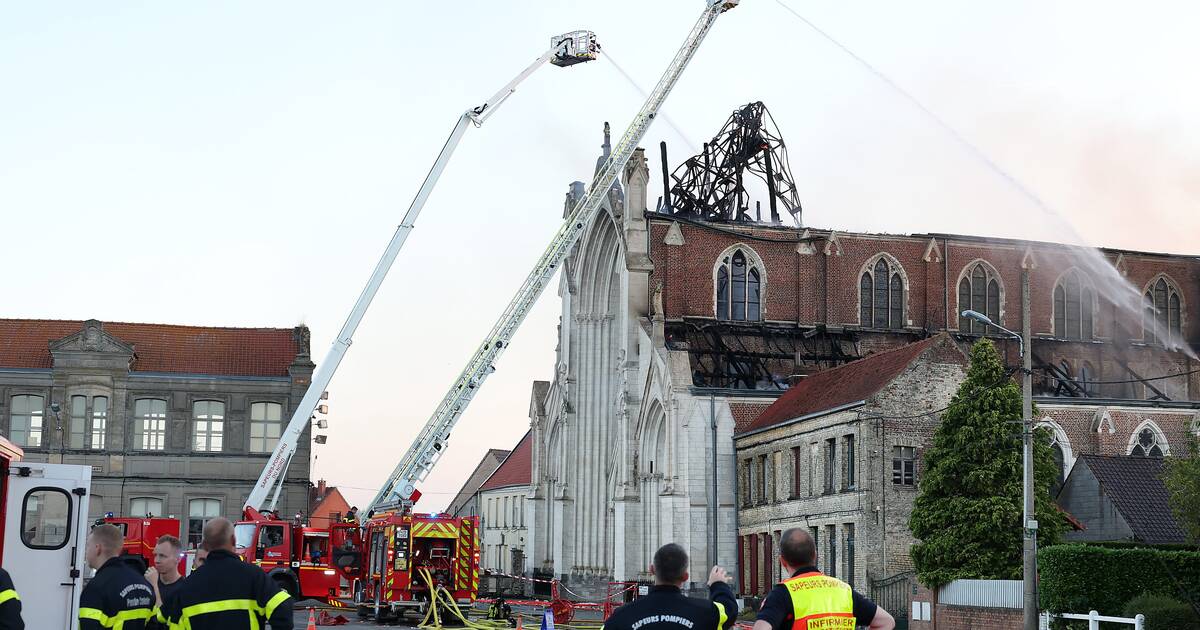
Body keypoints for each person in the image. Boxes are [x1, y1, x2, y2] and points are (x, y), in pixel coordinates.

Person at [160, 518, 292, 629]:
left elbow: (170, 623)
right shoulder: (254, 576)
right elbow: (282, 606)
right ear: (234, 540)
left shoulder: (186, 588)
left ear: (205, 544)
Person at [752, 529, 895, 630]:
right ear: (815, 555)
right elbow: (886, 622)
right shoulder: (843, 590)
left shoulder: (783, 594)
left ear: (782, 562)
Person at [604, 543, 737, 630]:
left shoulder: (621, 616)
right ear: (685, 576)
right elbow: (729, 609)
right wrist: (718, 584)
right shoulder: (707, 612)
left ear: (652, 570)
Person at [79, 524, 155, 630]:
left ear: (98, 548)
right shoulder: (144, 584)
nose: (86, 551)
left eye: (88, 546)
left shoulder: (95, 588)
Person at [145, 535, 184, 629]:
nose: (156, 560)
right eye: (155, 555)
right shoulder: (148, 582)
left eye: (162, 556)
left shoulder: (183, 589)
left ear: (178, 559)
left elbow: (163, 619)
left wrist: (154, 586)